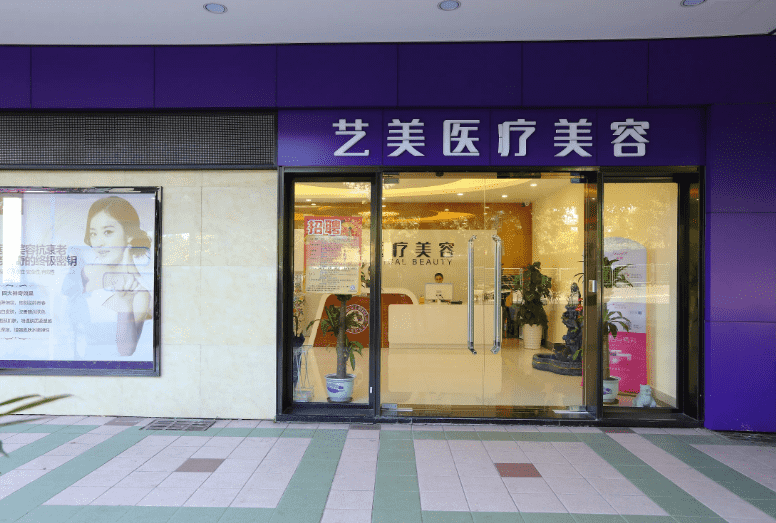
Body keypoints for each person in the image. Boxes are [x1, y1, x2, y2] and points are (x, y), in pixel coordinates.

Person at [63, 196, 152, 358]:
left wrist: (125, 303)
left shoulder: (140, 293)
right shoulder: (86, 272)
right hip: (70, 362)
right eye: (93, 234)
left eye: (108, 232)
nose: (98, 243)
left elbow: (125, 350)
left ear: (129, 234)